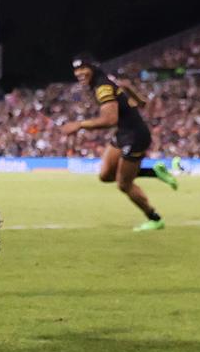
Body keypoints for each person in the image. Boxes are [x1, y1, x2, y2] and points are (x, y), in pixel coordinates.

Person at [61, 53, 178, 231]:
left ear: (93, 68)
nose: (79, 73)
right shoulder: (103, 83)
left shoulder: (102, 88)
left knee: (123, 184)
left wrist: (79, 125)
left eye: (83, 68)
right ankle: (154, 172)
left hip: (135, 136)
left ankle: (154, 218)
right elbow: (134, 96)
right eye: (76, 69)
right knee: (105, 175)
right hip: (123, 134)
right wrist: (134, 94)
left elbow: (110, 120)